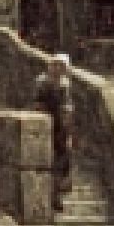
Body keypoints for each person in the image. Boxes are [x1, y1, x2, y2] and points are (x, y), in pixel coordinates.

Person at [34, 53, 74, 213]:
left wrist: (68, 130)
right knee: (49, 162)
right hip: (49, 126)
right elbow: (38, 103)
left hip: (62, 129)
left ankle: (56, 196)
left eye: (61, 66)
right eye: (55, 65)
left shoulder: (65, 84)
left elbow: (67, 108)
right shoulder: (43, 82)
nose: (58, 69)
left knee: (61, 162)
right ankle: (51, 197)